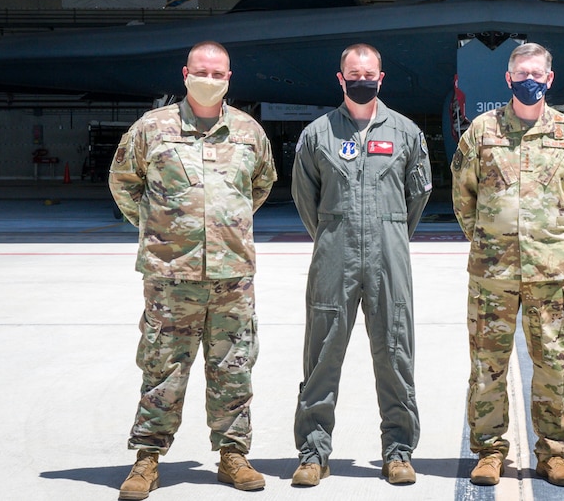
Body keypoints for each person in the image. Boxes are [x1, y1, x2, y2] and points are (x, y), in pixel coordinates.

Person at [110, 41, 277, 500]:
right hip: (170, 278)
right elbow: (124, 183)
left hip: (231, 277)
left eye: (218, 73)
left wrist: (225, 227)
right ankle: (146, 458)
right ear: (185, 74)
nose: (210, 78)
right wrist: (160, 230)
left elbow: (260, 185)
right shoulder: (152, 128)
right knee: (162, 368)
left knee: (234, 368)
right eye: (202, 70)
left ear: (229, 79)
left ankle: (233, 455)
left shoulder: (248, 132)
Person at [450, 42, 564, 487]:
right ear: (508, 79)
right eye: (520, 73)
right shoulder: (481, 131)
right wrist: (489, 240)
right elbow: (463, 196)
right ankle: (489, 451)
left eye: (537, 73)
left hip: (550, 273)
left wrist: (550, 242)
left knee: (553, 363)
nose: (529, 80)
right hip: (491, 275)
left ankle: (553, 452)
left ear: (549, 79)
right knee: (487, 365)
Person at [290, 43, 433, 487]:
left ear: (381, 77)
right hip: (334, 257)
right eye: (353, 73)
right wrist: (336, 235)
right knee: (322, 355)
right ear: (341, 78)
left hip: (389, 257)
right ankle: (313, 453)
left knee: (394, 353)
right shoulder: (317, 135)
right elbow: (304, 198)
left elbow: (419, 196)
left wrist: (388, 233)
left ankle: (398, 451)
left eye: (368, 72)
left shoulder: (407, 133)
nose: (361, 79)